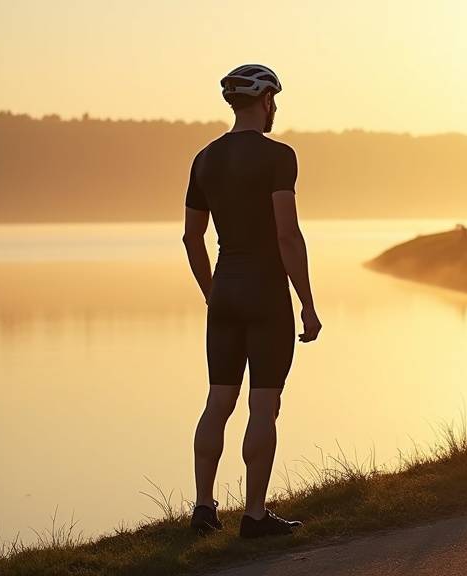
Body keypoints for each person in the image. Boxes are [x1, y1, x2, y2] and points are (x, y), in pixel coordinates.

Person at [181, 64, 322, 538]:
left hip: (224, 289)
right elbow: (286, 234)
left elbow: (191, 237)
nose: (274, 109)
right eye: (274, 100)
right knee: (263, 406)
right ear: (265, 101)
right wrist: (307, 301)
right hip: (265, 293)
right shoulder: (279, 157)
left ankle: (203, 508)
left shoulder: (204, 159)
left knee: (218, 399)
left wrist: (210, 293)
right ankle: (255, 515)